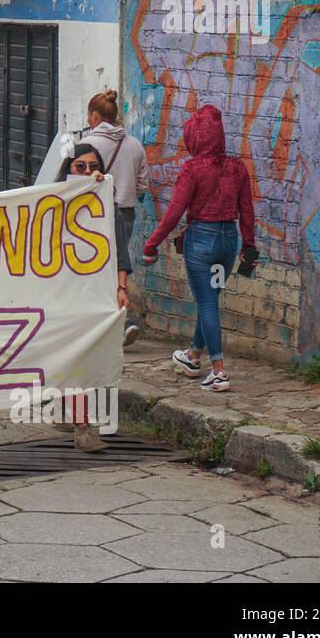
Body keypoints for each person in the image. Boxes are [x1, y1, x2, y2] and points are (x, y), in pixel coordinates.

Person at [142, 104, 256, 394]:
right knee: (211, 301)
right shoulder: (238, 167)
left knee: (206, 303)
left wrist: (151, 244)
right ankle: (193, 356)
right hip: (227, 243)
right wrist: (249, 245)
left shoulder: (192, 169)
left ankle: (218, 371)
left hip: (200, 243)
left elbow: (174, 212)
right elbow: (247, 210)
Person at [57, 143, 115, 453]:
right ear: (68, 169)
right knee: (67, 358)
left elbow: (118, 249)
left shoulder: (105, 205)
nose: (89, 172)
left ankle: (81, 424)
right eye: (81, 167)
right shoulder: (50, 204)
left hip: (91, 295)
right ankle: (77, 419)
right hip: (58, 295)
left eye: (95, 166)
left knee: (82, 360)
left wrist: (121, 287)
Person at [82, 90, 150, 346]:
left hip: (98, 214)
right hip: (127, 213)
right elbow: (143, 185)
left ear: (95, 116)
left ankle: (122, 323)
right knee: (115, 268)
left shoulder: (89, 146)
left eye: (89, 116)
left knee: (97, 271)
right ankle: (118, 323)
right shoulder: (134, 145)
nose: (88, 120)